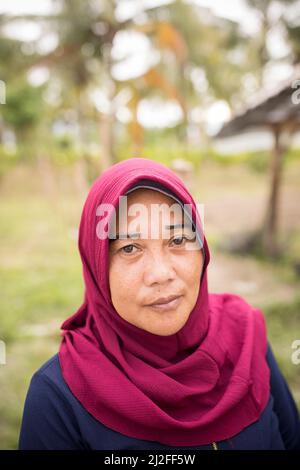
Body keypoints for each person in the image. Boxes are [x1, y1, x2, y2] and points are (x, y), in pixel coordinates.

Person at [19, 157, 300, 450]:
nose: (161, 274)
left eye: (178, 240)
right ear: (97, 266)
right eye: (130, 248)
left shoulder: (245, 335)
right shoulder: (58, 396)